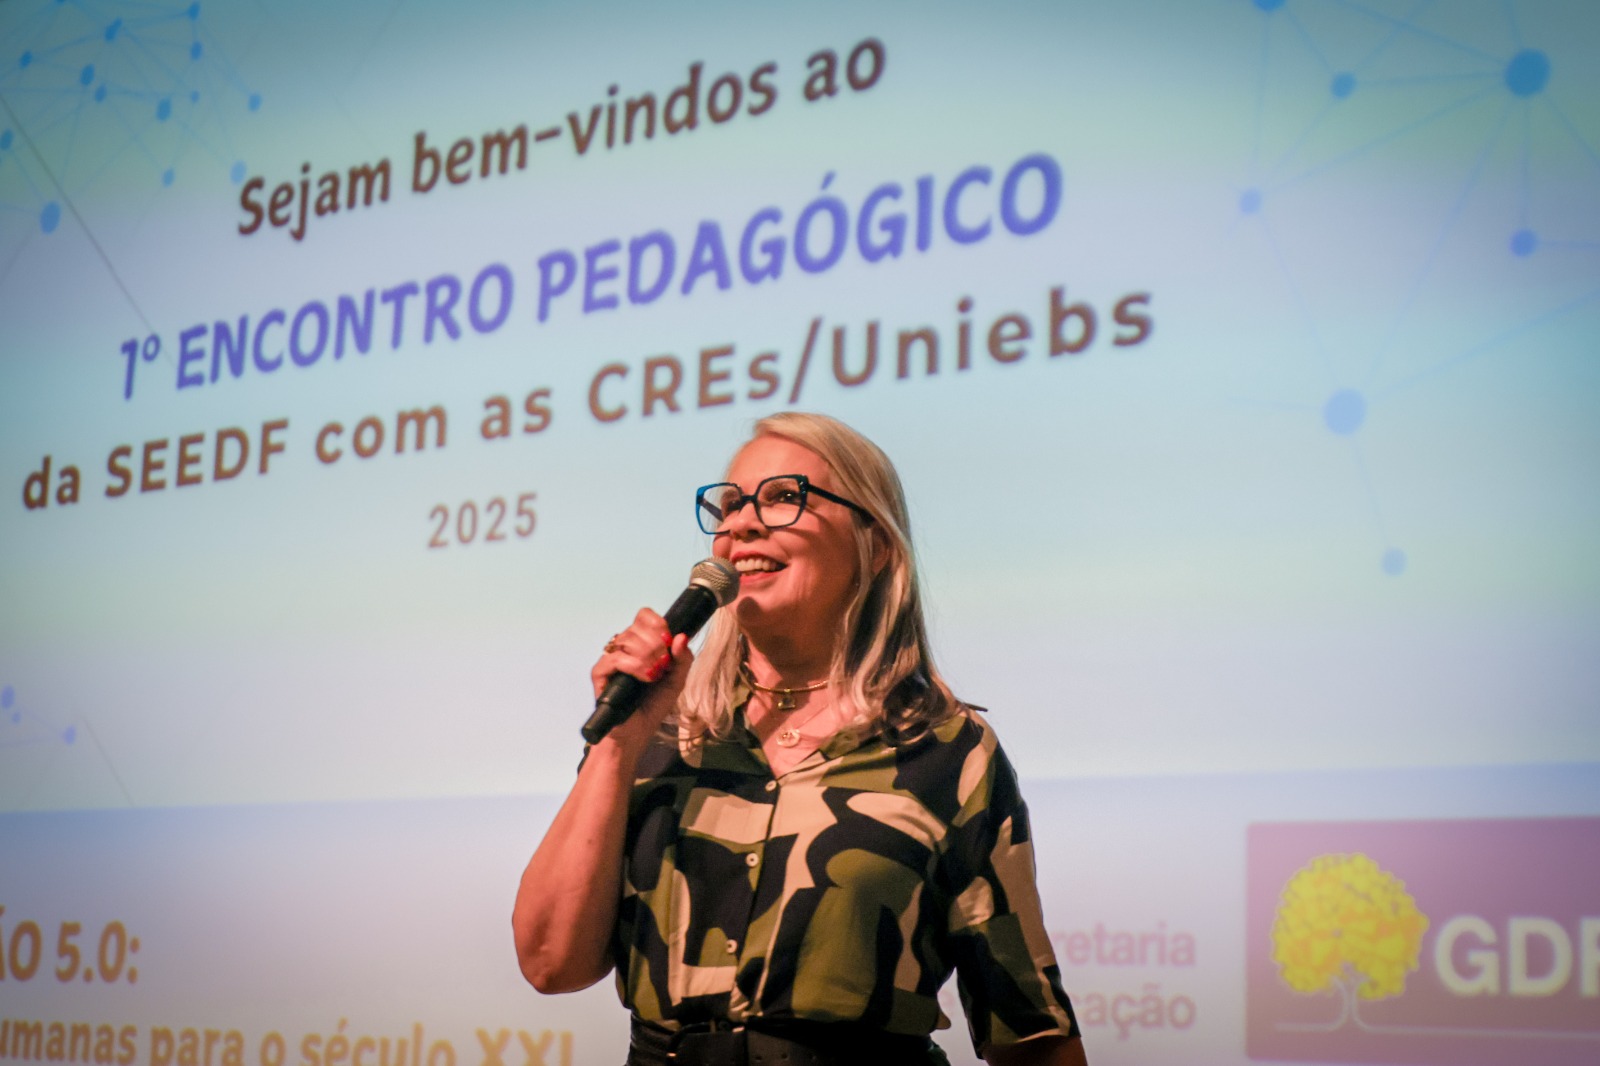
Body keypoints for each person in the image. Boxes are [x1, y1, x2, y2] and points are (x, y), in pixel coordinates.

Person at [512, 413, 1085, 1066]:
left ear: (876, 547)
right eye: (730, 505)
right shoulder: (659, 731)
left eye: (784, 497)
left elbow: (1030, 1032)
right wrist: (616, 746)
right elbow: (549, 962)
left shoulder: (946, 750)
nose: (741, 525)